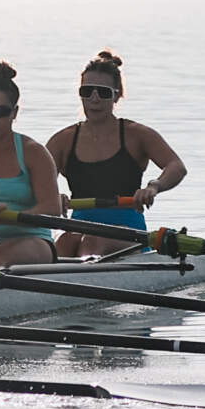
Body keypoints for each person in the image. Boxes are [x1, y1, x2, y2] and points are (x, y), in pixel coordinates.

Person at [46, 49, 188, 259]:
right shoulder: (62, 140)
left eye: (102, 92)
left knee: (91, 242)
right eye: (87, 91)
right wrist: (51, 197)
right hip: (78, 227)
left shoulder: (137, 135)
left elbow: (176, 166)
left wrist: (154, 186)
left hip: (128, 230)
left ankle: (84, 280)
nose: (94, 99)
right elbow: (34, 182)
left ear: (117, 95)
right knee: (64, 242)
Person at [0, 61, 63, 269]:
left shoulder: (33, 152)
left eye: (0, 112)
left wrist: (12, 220)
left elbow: (52, 207)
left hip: (33, 240)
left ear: (14, 113)